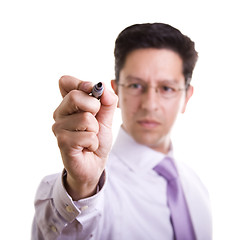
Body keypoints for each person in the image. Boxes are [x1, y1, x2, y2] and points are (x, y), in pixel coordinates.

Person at [32, 23, 212, 240]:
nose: (150, 104)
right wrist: (81, 186)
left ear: (186, 97)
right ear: (116, 91)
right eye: (136, 85)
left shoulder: (196, 188)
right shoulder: (93, 191)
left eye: (166, 88)